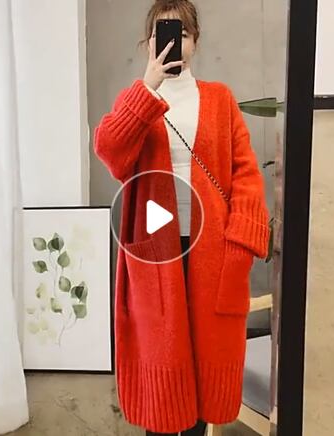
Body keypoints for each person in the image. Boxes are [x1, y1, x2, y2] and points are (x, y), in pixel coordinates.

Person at [94, 1, 270, 435]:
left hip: (213, 252)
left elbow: (246, 173)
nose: (175, 42)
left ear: (195, 41)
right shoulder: (139, 98)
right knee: (162, 369)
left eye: (183, 33)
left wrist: (240, 244)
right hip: (157, 253)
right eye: (163, 33)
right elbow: (111, 153)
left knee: (205, 370)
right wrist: (148, 87)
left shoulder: (219, 99)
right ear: (148, 42)